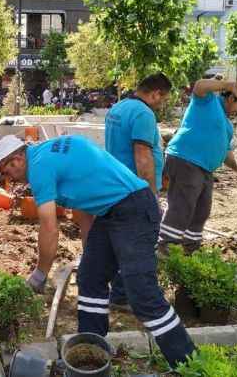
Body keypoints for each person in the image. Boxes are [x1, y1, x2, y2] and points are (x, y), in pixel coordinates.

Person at [0, 135, 195, 370]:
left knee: (142, 294)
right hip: (112, 211)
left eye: (6, 172)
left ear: (15, 160)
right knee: (90, 276)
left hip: (134, 209)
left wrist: (40, 274)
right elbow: (83, 202)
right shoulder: (48, 153)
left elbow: (49, 227)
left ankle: (188, 363)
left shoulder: (39, 168)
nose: (9, 179)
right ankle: (89, 354)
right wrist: (92, 255)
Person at [104, 73, 171, 307]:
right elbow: (142, 157)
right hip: (135, 189)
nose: (160, 105)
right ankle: (123, 295)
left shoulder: (118, 107)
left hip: (116, 185)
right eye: (161, 100)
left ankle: (117, 289)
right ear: (155, 93)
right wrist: (151, 193)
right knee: (139, 244)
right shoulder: (143, 114)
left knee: (119, 240)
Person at [160, 78, 237, 250]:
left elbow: (226, 151)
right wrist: (226, 84)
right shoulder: (208, 101)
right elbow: (199, 85)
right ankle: (166, 246)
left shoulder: (227, 125)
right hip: (186, 159)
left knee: (202, 209)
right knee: (183, 205)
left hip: (205, 168)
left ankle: (190, 247)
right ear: (231, 98)